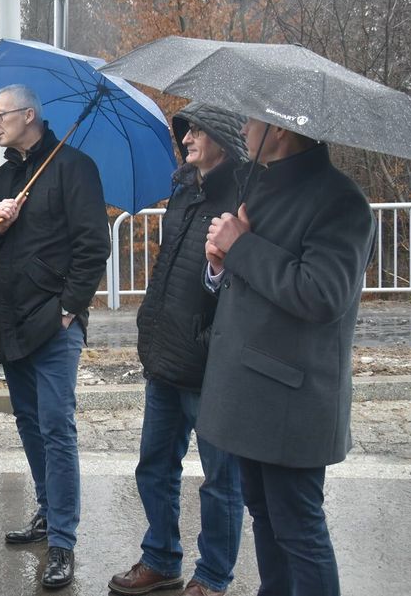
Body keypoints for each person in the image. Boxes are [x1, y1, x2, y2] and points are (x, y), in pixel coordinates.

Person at [198, 117, 375, 596]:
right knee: (264, 515)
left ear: (279, 130)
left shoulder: (340, 201)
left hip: (291, 399)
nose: (244, 129)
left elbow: (322, 294)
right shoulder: (258, 186)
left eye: (253, 120)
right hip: (248, 391)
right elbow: (248, 280)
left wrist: (242, 245)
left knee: (298, 528)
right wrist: (221, 262)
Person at [0, 85, 110, 589]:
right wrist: (0, 222)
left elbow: (95, 247)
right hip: (9, 323)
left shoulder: (74, 168)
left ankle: (63, 543)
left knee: (57, 428)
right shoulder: (6, 174)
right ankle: (48, 512)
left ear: (29, 115)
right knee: (30, 425)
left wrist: (69, 309)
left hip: (54, 325)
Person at [109, 103, 246, 596]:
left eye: (197, 129)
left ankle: (212, 577)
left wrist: (207, 337)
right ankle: (161, 558)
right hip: (165, 355)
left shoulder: (243, 195)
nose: (186, 137)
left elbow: (238, 283)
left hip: (212, 365)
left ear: (224, 135)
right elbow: (171, 265)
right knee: (154, 465)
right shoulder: (184, 189)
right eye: (183, 129)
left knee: (220, 482)